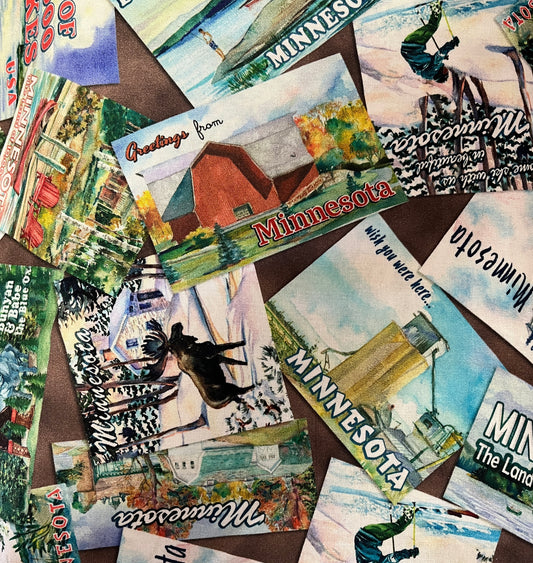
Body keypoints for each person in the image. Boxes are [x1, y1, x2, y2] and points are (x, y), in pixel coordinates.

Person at [400, 1, 459, 83]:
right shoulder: (427, 73)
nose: (446, 68)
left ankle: (435, 6)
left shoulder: (433, 70)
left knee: (433, 26)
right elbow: (433, 60)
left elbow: (439, 54)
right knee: (431, 27)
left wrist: (452, 44)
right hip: (407, 47)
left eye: (445, 71)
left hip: (413, 45)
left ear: (440, 74)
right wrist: (441, 58)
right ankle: (435, 8)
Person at [354, 505, 420, 563]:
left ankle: (409, 512)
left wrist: (410, 553)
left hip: (373, 536)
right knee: (395, 527)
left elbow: (393, 558)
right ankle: (407, 514)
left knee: (398, 528)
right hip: (363, 532)